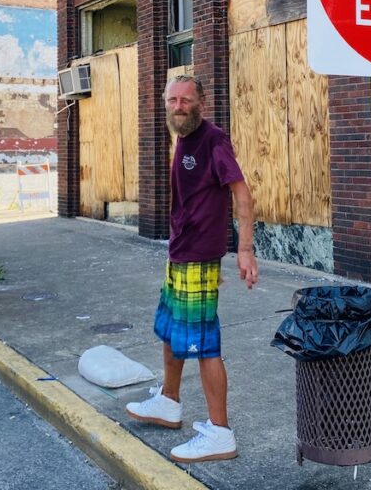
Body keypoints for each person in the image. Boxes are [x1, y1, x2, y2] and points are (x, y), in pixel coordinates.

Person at [126, 74, 258, 463]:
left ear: (201, 102)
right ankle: (169, 402)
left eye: (186, 100)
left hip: (200, 257)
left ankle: (220, 433)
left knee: (203, 345)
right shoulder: (182, 138)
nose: (179, 106)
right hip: (179, 253)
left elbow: (242, 194)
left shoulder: (213, 140)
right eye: (172, 100)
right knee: (171, 330)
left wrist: (245, 249)